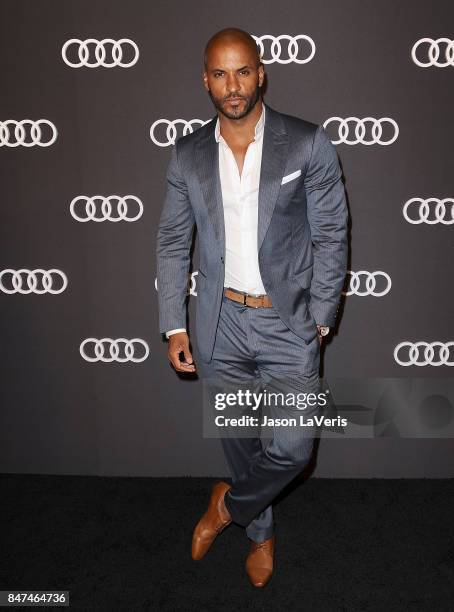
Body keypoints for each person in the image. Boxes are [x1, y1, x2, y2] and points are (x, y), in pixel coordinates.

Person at [155, 27, 348, 587]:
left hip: (288, 322)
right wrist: (173, 323)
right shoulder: (187, 153)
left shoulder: (308, 143)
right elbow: (172, 240)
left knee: (292, 448)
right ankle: (260, 532)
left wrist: (321, 314)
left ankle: (227, 508)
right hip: (221, 325)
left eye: (243, 71)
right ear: (205, 80)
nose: (232, 85)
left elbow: (332, 232)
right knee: (240, 440)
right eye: (220, 74)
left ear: (261, 73)